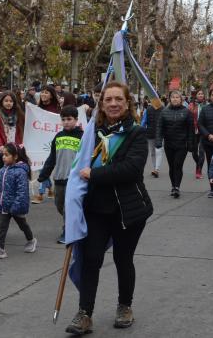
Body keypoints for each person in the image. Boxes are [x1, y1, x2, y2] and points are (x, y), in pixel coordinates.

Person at [66, 81, 153, 335]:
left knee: (122, 259)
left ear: (128, 103)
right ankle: (84, 313)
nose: (114, 104)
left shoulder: (136, 133)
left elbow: (130, 169)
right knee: (90, 260)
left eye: (119, 99)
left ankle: (125, 306)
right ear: (101, 104)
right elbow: (77, 166)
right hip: (96, 209)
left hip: (129, 210)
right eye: (108, 100)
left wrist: (94, 174)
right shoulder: (92, 132)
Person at [37, 105, 82, 243]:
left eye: (69, 119)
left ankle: (68, 231)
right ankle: (75, 222)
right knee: (59, 205)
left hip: (74, 179)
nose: (66, 122)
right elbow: (52, 158)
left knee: (69, 207)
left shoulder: (83, 136)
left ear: (76, 120)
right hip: (59, 178)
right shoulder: (58, 137)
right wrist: (44, 175)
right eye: (63, 119)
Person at [0, 142, 36, 259]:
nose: (4, 157)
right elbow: (1, 190)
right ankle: (0, 249)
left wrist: (16, 207)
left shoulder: (20, 172)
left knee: (22, 225)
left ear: (15, 156)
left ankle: (31, 240)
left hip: (16, 207)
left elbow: (22, 192)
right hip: (5, 206)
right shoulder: (2, 171)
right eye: (3, 154)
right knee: (2, 227)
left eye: (7, 155)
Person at [156, 90, 193, 198]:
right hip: (169, 144)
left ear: (181, 99)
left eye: (177, 97)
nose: (175, 99)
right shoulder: (164, 112)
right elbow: (160, 128)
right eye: (173, 97)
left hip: (182, 144)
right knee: (171, 166)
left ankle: (177, 187)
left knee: (178, 165)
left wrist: (191, 144)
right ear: (170, 99)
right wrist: (159, 141)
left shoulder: (187, 112)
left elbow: (191, 130)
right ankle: (173, 186)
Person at [0, 91, 25, 187]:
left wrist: (22, 143)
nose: (9, 103)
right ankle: (1, 194)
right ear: (1, 102)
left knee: (16, 176)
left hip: (16, 150)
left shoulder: (19, 115)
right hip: (1, 150)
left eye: (11, 101)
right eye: (6, 101)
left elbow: (23, 130)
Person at [142, 101, 163, 178]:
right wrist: (142, 131)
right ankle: (155, 168)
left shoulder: (162, 109)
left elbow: (143, 122)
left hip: (159, 132)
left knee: (158, 150)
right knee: (153, 151)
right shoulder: (148, 109)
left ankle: (156, 169)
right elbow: (144, 121)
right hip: (150, 133)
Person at [188, 89, 206, 179]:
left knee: (202, 152)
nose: (201, 95)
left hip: (203, 131)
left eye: (202, 93)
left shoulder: (206, 106)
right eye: (199, 94)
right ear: (196, 95)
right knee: (194, 152)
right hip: (194, 131)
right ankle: (199, 163)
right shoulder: (191, 105)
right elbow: (188, 118)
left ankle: (198, 170)